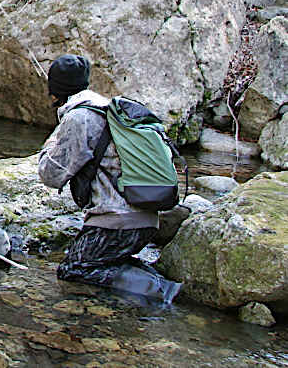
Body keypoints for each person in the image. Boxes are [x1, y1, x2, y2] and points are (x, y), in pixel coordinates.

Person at [38, 54, 182, 303]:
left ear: (55, 92)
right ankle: (151, 285)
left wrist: (51, 142)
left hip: (117, 223)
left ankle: (161, 290)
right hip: (146, 218)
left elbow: (50, 174)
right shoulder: (108, 108)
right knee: (97, 260)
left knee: (74, 269)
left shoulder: (78, 118)